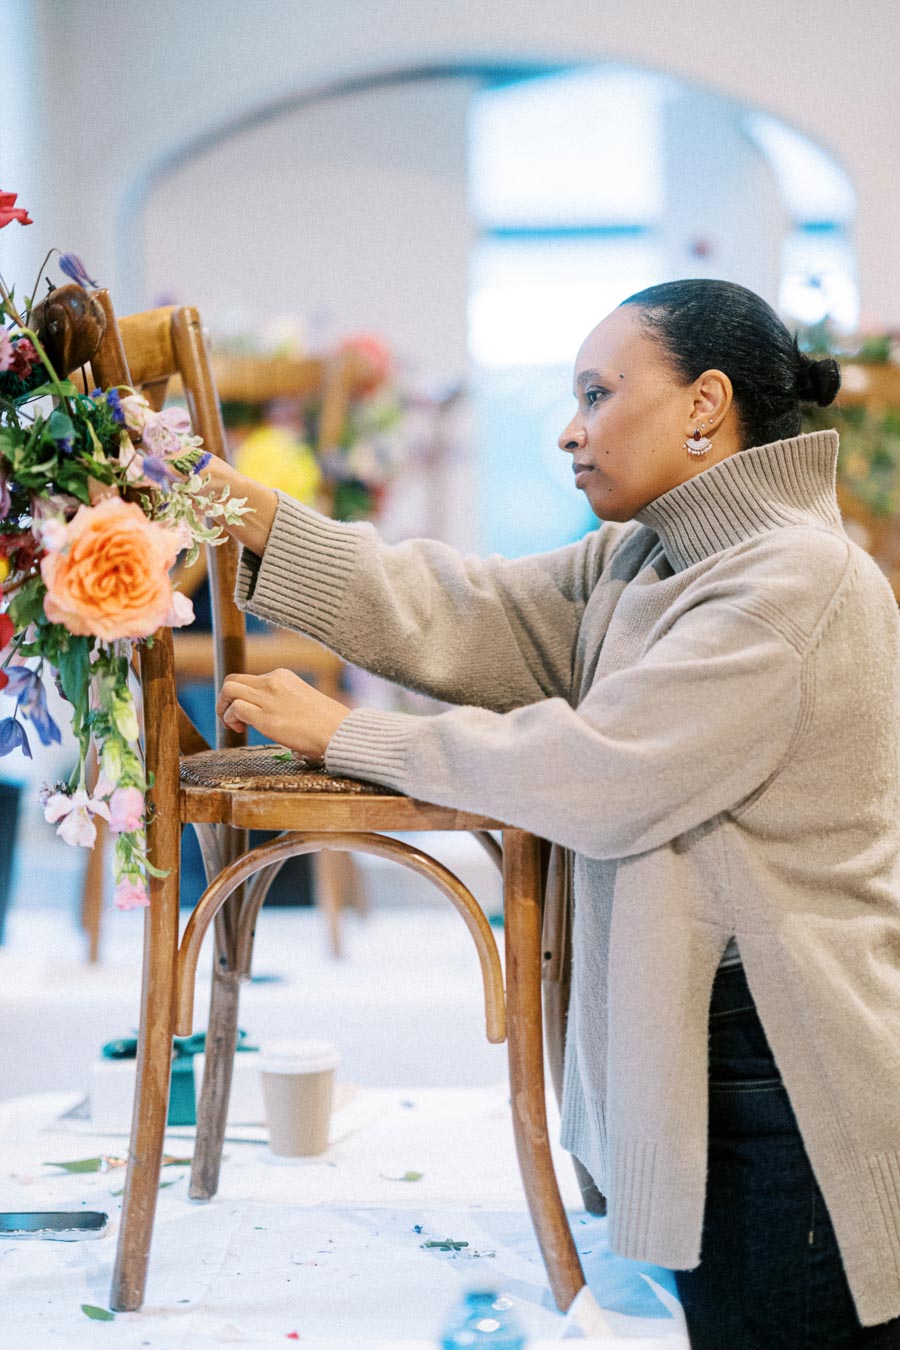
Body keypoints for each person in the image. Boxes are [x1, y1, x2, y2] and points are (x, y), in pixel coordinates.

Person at [208, 279, 900, 1348]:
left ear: (705, 405)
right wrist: (237, 507)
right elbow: (464, 608)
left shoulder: (796, 578)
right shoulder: (649, 556)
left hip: (786, 1072)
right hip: (719, 1048)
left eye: (598, 392)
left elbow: (605, 770)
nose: (570, 430)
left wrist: (347, 736)